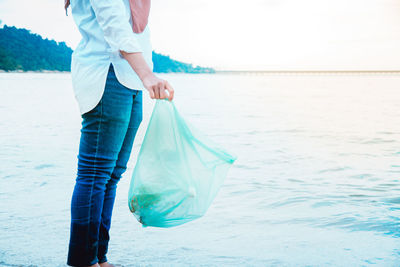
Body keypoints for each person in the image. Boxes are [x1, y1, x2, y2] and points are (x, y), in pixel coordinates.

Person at [64, 0, 174, 266]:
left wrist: (145, 77)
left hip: (130, 79)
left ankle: (99, 257)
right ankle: (83, 260)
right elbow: (116, 28)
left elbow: (135, 32)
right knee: (94, 175)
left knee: (111, 176)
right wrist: (148, 77)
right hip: (108, 75)